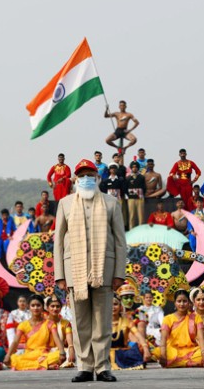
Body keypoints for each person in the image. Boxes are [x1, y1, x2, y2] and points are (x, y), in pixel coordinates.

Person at [54, 159, 128, 383]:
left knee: (102, 320)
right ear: (75, 179)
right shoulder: (65, 203)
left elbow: (120, 242)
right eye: (81, 175)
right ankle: (85, 366)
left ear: (97, 178)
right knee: (80, 321)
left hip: (103, 270)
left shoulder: (111, 202)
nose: (85, 178)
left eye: (89, 174)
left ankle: (103, 366)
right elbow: (57, 241)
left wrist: (118, 274)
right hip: (74, 270)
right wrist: (60, 275)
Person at [5, 294, 66, 370]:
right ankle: (44, 365)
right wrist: (8, 355)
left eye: (38, 305)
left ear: (42, 307)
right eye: (33, 305)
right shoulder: (23, 325)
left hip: (44, 354)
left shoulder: (49, 324)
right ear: (28, 307)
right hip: (29, 355)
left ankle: (37, 365)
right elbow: (15, 342)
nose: (35, 308)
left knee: (57, 355)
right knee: (14, 358)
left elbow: (57, 339)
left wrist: (62, 352)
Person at [155, 289, 204, 368]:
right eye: (179, 301)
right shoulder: (168, 318)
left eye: (184, 301)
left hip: (191, 350)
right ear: (175, 303)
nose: (182, 304)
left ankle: (176, 363)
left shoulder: (196, 317)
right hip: (173, 351)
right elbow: (163, 338)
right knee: (157, 351)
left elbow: (201, 338)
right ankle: (189, 363)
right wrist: (163, 354)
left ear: (189, 303)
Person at [109, 295, 151, 370]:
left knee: (137, 346)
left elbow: (138, 335)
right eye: (109, 304)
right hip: (105, 354)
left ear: (121, 307)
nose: (113, 307)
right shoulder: (101, 322)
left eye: (115, 304)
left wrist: (145, 348)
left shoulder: (127, 321)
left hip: (123, 352)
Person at [46, 294, 77, 367]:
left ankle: (49, 364)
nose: (55, 308)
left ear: (61, 308)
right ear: (47, 308)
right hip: (45, 351)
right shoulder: (43, 322)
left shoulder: (66, 323)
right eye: (52, 306)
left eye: (57, 306)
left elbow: (69, 337)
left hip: (61, 351)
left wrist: (71, 349)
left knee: (70, 355)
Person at [125, 161, 146, 229]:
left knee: (141, 216)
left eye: (136, 167)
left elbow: (144, 188)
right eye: (133, 167)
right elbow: (125, 188)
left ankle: (141, 231)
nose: (134, 168)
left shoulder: (142, 177)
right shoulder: (127, 178)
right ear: (131, 168)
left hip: (140, 198)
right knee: (131, 216)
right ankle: (131, 231)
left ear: (138, 168)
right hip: (131, 199)